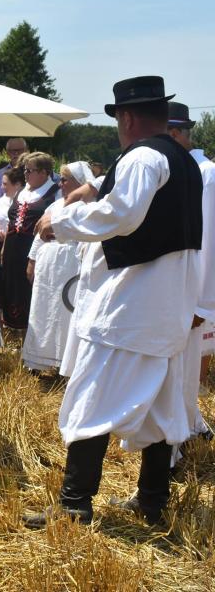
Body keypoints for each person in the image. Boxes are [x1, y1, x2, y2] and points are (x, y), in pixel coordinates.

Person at [25, 76, 203, 528]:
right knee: (162, 408)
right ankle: (151, 502)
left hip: (131, 307)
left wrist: (60, 223)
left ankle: (73, 505)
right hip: (167, 306)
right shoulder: (181, 160)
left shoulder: (143, 157)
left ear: (126, 118)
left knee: (92, 399)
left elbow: (121, 213)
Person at [165, 101, 215, 445]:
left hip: (189, 294)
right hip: (169, 291)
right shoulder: (175, 167)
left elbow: (208, 239)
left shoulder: (205, 172)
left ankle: (181, 436)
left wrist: (201, 303)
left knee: (181, 372)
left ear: (173, 133)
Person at [22, 161, 95, 372]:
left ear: (79, 182)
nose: (60, 183)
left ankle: (64, 363)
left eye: (65, 179)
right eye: (61, 179)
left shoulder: (87, 208)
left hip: (70, 264)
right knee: (42, 308)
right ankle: (39, 361)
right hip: (48, 265)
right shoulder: (55, 205)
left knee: (65, 312)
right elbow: (38, 235)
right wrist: (32, 261)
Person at [1, 151, 59, 331]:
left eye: (30, 171)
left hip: (33, 251)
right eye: (25, 170)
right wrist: (3, 249)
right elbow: (11, 222)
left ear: (44, 172)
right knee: (10, 288)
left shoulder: (54, 194)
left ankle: (29, 336)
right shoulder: (23, 191)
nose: (25, 174)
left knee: (29, 291)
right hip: (12, 250)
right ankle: (11, 333)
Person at [0, 168, 25, 321]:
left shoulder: (24, 202)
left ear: (17, 184)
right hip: (0, 247)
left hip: (16, 248)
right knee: (0, 283)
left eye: (5, 184)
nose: (2, 187)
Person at [0, 138, 29, 202]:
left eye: (20, 150)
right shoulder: (0, 174)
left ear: (26, 150)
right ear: (7, 152)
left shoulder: (33, 171)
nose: (16, 153)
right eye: (12, 150)